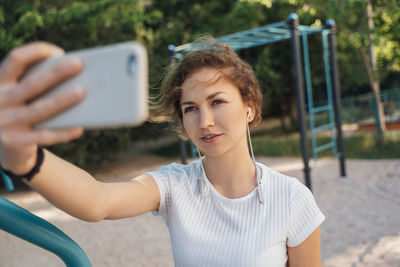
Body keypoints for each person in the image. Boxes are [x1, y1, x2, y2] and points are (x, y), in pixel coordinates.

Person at [0, 39, 325, 266]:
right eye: (190, 108)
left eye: (218, 101)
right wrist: (28, 160)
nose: (205, 121)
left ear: (250, 108)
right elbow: (97, 201)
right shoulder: (175, 185)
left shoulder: (292, 199)